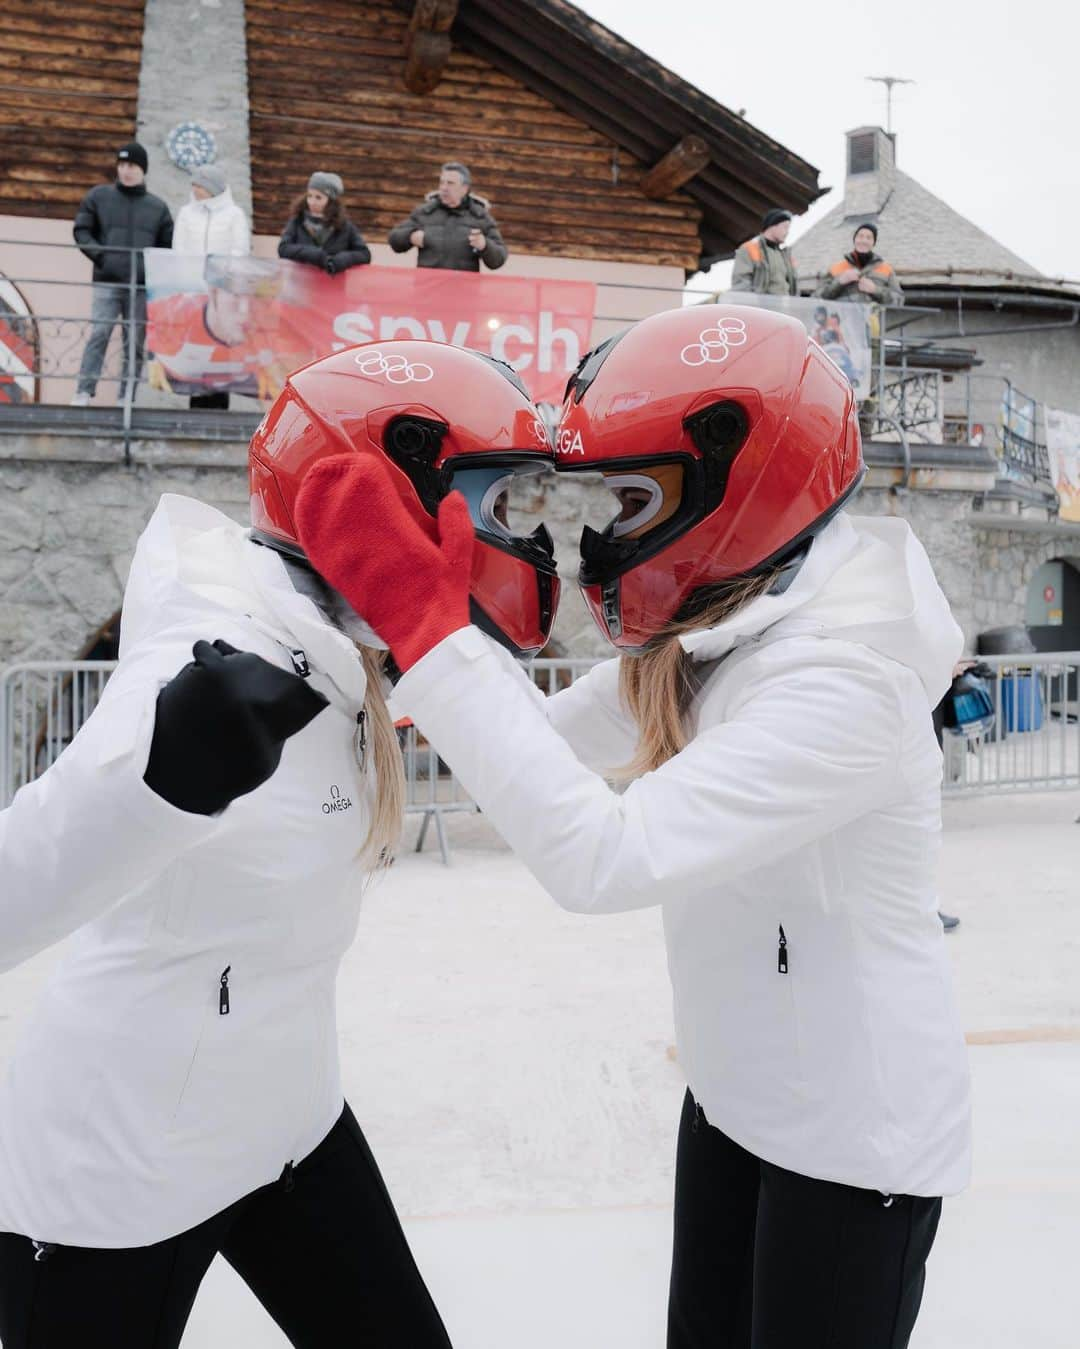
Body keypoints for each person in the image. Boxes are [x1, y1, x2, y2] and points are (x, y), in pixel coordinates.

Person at [293, 307, 972, 1349]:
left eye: (631, 496)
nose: (602, 535)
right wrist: (355, 702)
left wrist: (435, 636)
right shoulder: (725, 626)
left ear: (737, 477)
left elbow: (605, 858)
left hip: (853, 1138)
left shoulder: (847, 677)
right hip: (736, 1096)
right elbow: (550, 740)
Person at [0, 345, 558, 1346]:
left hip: (288, 1116)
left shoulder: (341, 641)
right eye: (501, 504)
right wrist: (153, 786)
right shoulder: (216, 655)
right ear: (388, 492)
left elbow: (535, 749)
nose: (519, 537)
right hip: (123, 1159)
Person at [71, 141, 173, 407]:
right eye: (123, 165)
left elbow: (167, 247)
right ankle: (84, 391)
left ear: (143, 170)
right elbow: (82, 230)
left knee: (134, 341)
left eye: (133, 166)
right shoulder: (98, 197)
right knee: (99, 333)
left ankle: (126, 396)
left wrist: (151, 273)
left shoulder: (157, 207)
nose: (127, 171)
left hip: (140, 287)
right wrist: (101, 256)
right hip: (107, 280)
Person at [147, 255, 308, 404]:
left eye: (255, 297)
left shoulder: (277, 326)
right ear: (213, 292)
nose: (245, 309)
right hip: (186, 388)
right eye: (236, 296)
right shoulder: (172, 314)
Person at [171, 163, 251, 409]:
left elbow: (240, 250)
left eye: (199, 185)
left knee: (218, 342)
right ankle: (196, 399)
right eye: (193, 185)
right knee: (196, 342)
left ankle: (219, 400)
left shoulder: (234, 215)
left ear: (211, 188)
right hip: (195, 289)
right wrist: (187, 278)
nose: (194, 189)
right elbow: (179, 249)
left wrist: (222, 275)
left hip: (222, 291)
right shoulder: (186, 214)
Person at [388, 162, 508, 272]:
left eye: (450, 183)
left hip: (464, 289)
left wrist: (485, 245)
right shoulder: (425, 212)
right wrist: (410, 236)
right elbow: (394, 241)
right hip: (427, 288)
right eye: (442, 182)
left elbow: (498, 260)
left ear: (464, 189)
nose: (444, 188)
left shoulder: (479, 216)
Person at [278, 172, 371, 275]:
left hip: (333, 286)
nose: (312, 202)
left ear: (331, 201)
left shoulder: (344, 226)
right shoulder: (297, 221)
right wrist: (312, 253)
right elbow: (283, 249)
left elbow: (364, 254)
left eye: (318, 197)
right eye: (309, 196)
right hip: (301, 285)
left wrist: (343, 259)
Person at [816, 222, 904, 306]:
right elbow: (817, 298)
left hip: (872, 321)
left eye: (869, 238)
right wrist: (840, 282)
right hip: (844, 321)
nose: (864, 241)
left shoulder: (886, 269)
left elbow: (899, 301)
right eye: (860, 236)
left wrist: (875, 290)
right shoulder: (835, 268)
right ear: (854, 240)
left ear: (873, 243)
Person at [729, 208, 798, 295]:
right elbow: (741, 285)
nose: (787, 232)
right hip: (760, 307)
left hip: (783, 307)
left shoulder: (786, 256)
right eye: (785, 227)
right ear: (772, 226)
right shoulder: (749, 249)